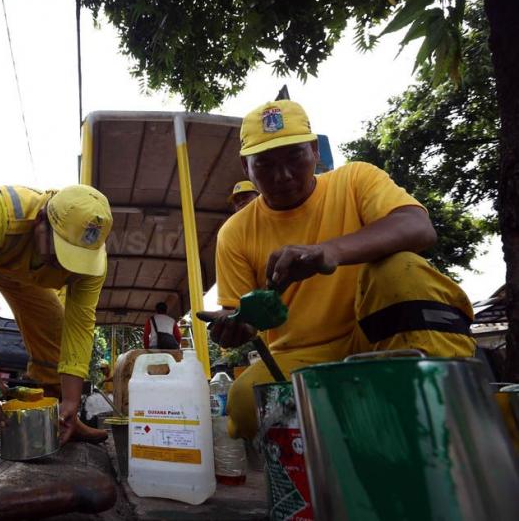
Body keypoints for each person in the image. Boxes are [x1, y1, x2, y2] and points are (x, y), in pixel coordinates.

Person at [199, 100, 475, 440]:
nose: (283, 175)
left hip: (379, 335)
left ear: (314, 150)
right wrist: (236, 325)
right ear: (246, 167)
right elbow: (243, 315)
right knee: (244, 404)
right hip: (300, 355)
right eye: (265, 164)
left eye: (294, 156)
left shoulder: (355, 179)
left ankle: (448, 414)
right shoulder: (234, 232)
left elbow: (417, 227)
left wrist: (329, 251)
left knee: (401, 268)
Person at [0, 184, 113, 449]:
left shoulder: (93, 265)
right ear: (40, 222)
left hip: (20, 266)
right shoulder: (4, 214)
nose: (66, 267)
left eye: (77, 259)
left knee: (55, 329)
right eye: (61, 253)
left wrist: (72, 400)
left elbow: (79, 325)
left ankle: (60, 414)